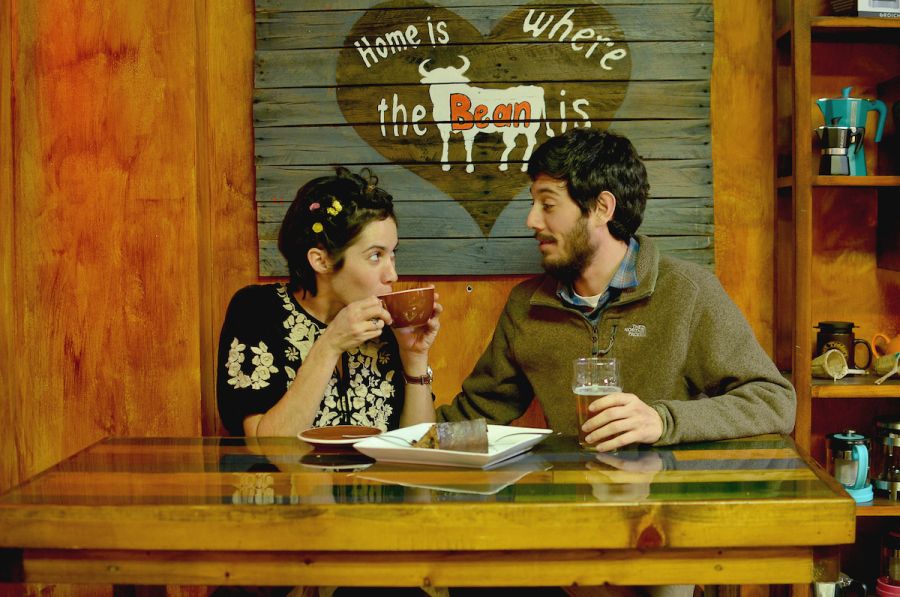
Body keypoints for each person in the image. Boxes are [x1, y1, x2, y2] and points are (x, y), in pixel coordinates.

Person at [438, 127, 796, 452]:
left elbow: (774, 402)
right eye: (533, 204)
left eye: (547, 204)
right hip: (572, 504)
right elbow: (472, 418)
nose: (531, 220)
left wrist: (663, 421)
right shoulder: (526, 305)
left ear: (601, 208)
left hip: (666, 507)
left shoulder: (688, 292)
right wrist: (392, 440)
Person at [217, 166, 440, 438]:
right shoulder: (257, 311)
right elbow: (270, 449)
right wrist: (330, 344)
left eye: (392, 254)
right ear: (321, 260)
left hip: (377, 481)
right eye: (375, 256)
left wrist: (414, 358)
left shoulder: (384, 324)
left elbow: (419, 449)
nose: (392, 274)